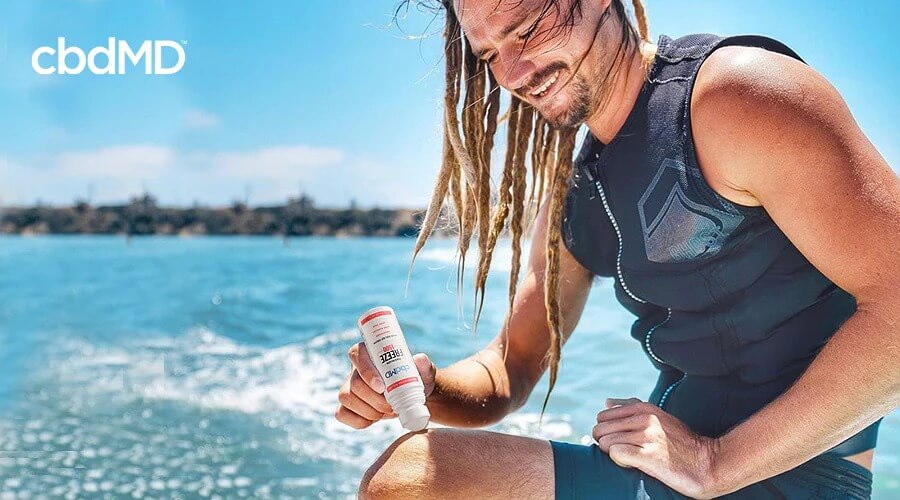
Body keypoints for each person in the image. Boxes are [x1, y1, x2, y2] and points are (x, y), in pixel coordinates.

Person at [336, 0, 900, 498]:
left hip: (787, 477)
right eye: (488, 56)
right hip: (663, 469)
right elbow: (513, 365)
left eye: (527, 29)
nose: (511, 73)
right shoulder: (576, 190)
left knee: (410, 479)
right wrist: (426, 389)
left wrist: (715, 463)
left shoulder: (736, 97)